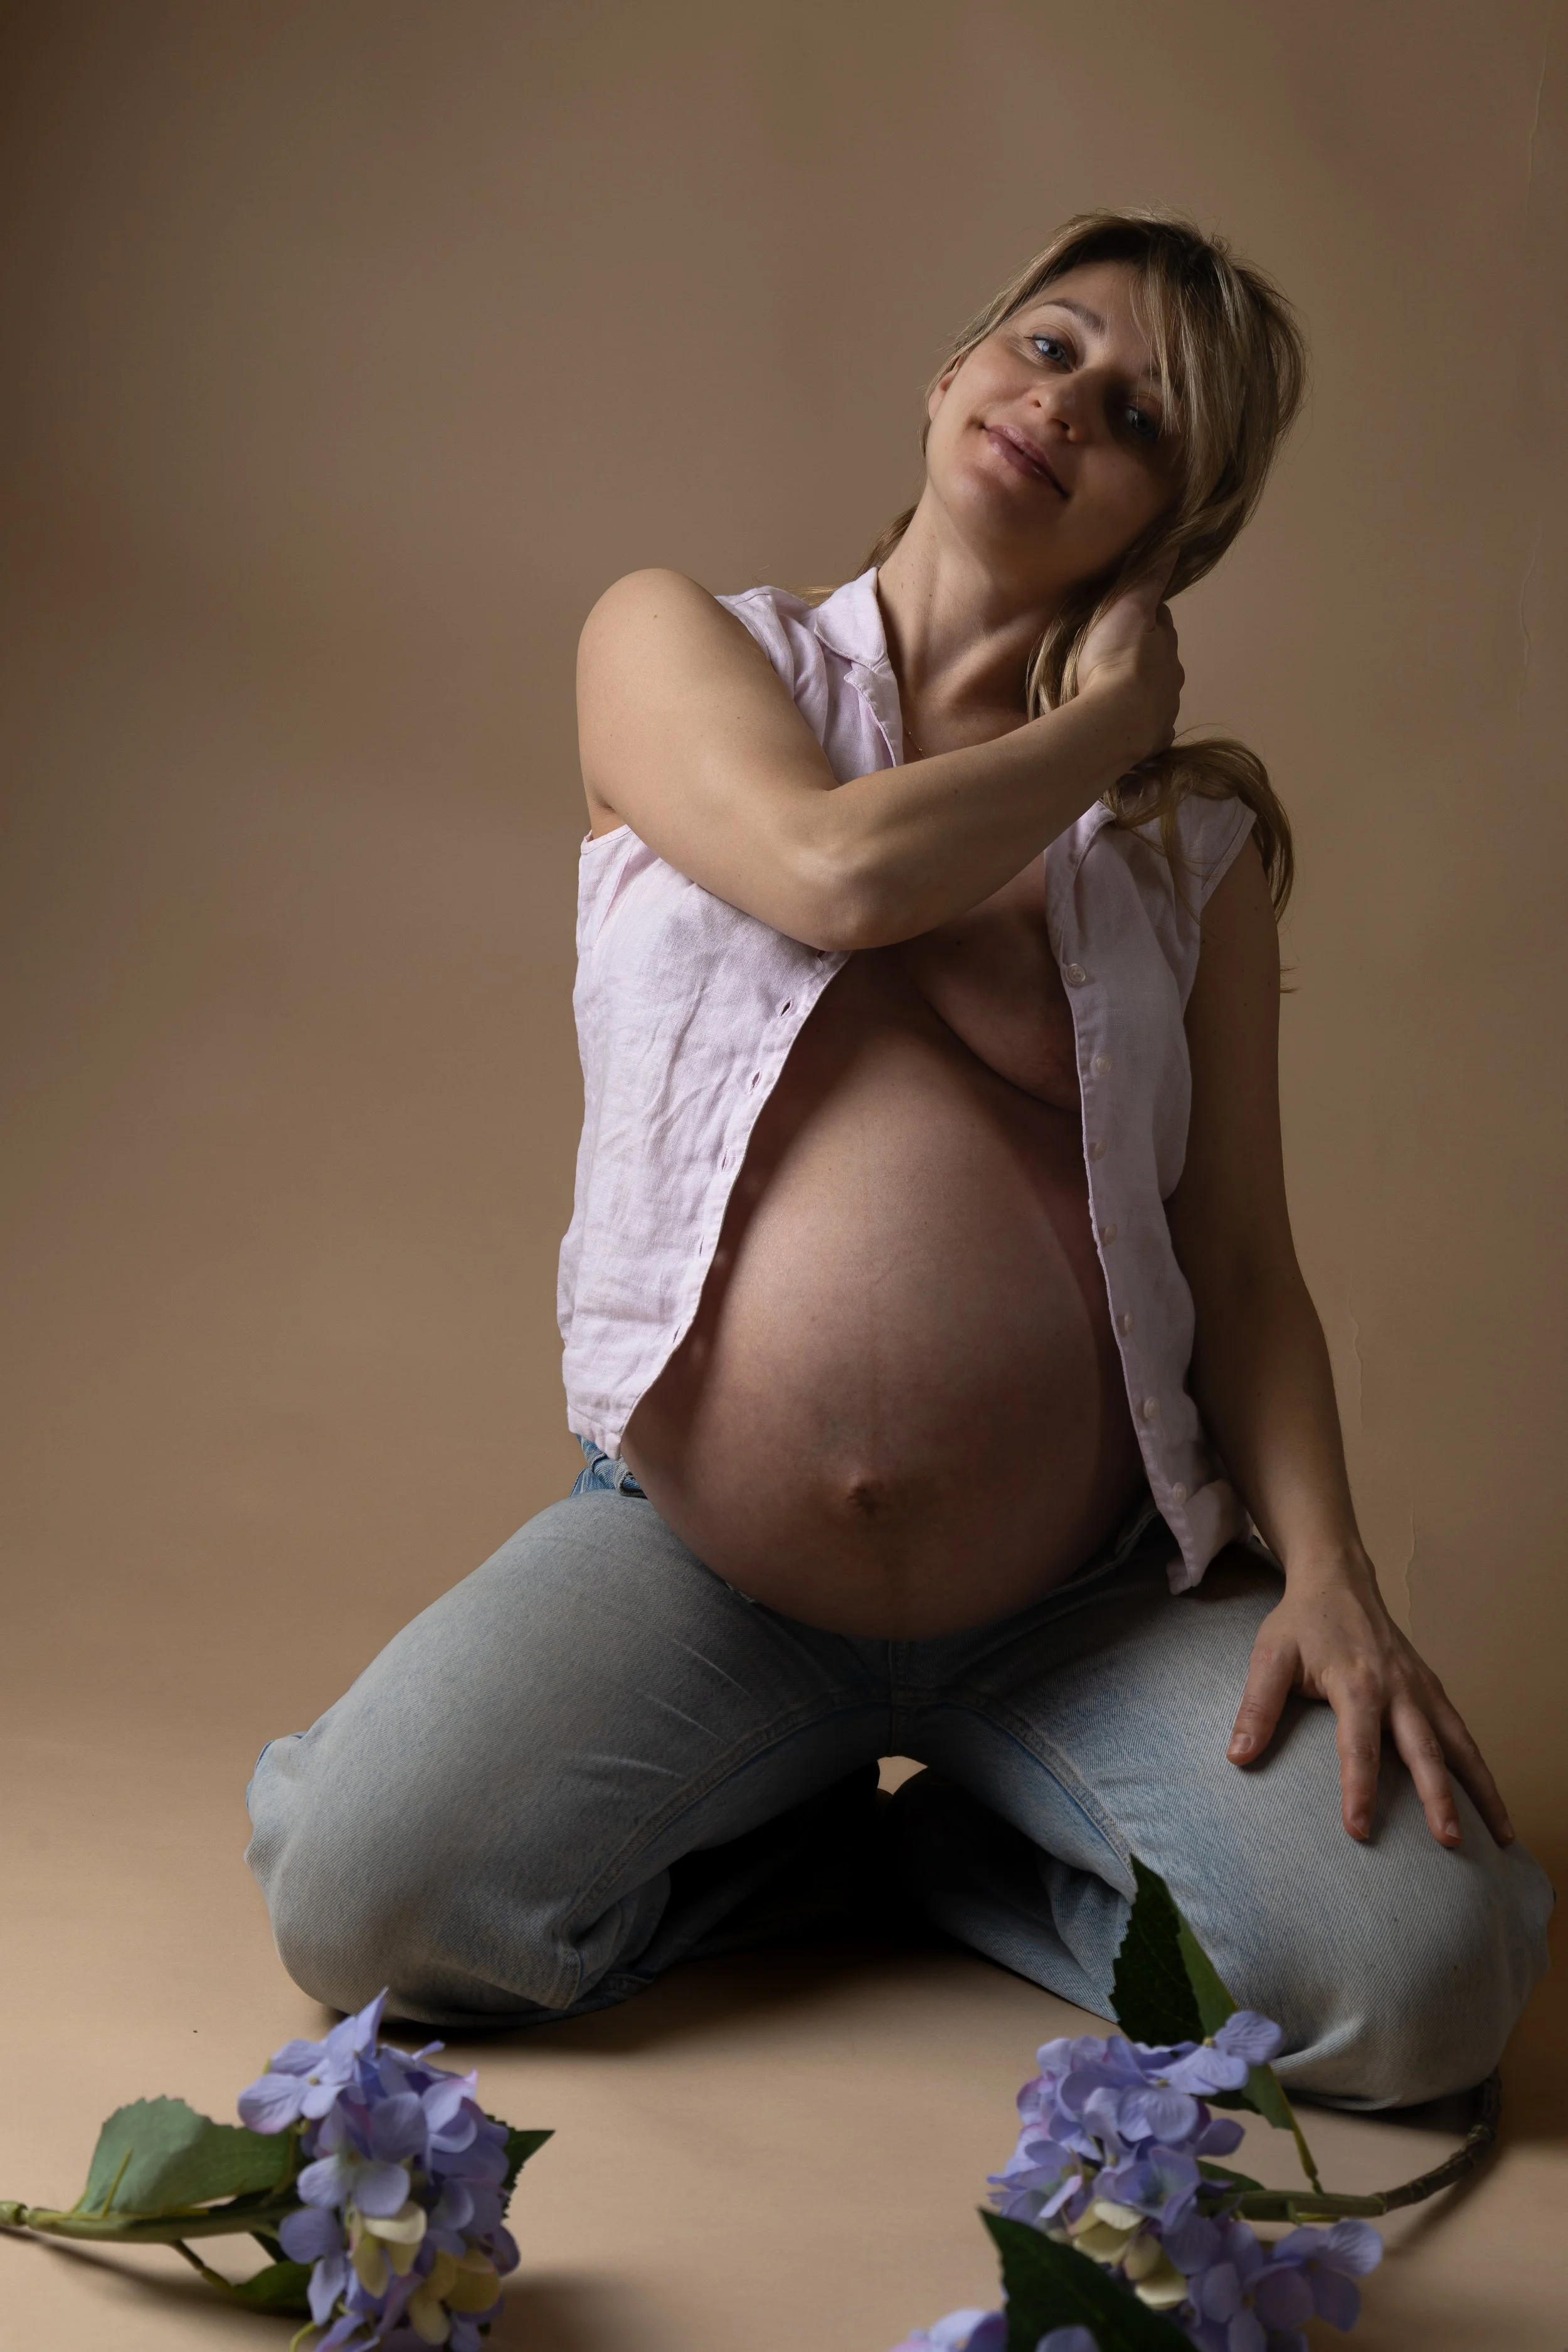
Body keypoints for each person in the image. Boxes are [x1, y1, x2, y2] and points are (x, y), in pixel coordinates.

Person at [246, 211, 1550, 2107]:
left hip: (1086, 1602)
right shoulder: (683, 646)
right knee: (363, 1902)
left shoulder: (1181, 851)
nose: (1068, 404)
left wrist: (1331, 1572)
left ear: (1168, 533)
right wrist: (1112, 716)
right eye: (1049, 345)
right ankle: (802, 1850)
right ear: (952, 374)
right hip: (701, 1567)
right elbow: (836, 872)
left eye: (1141, 418)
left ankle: (958, 1862)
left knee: (1427, 1988)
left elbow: (1242, 1259)